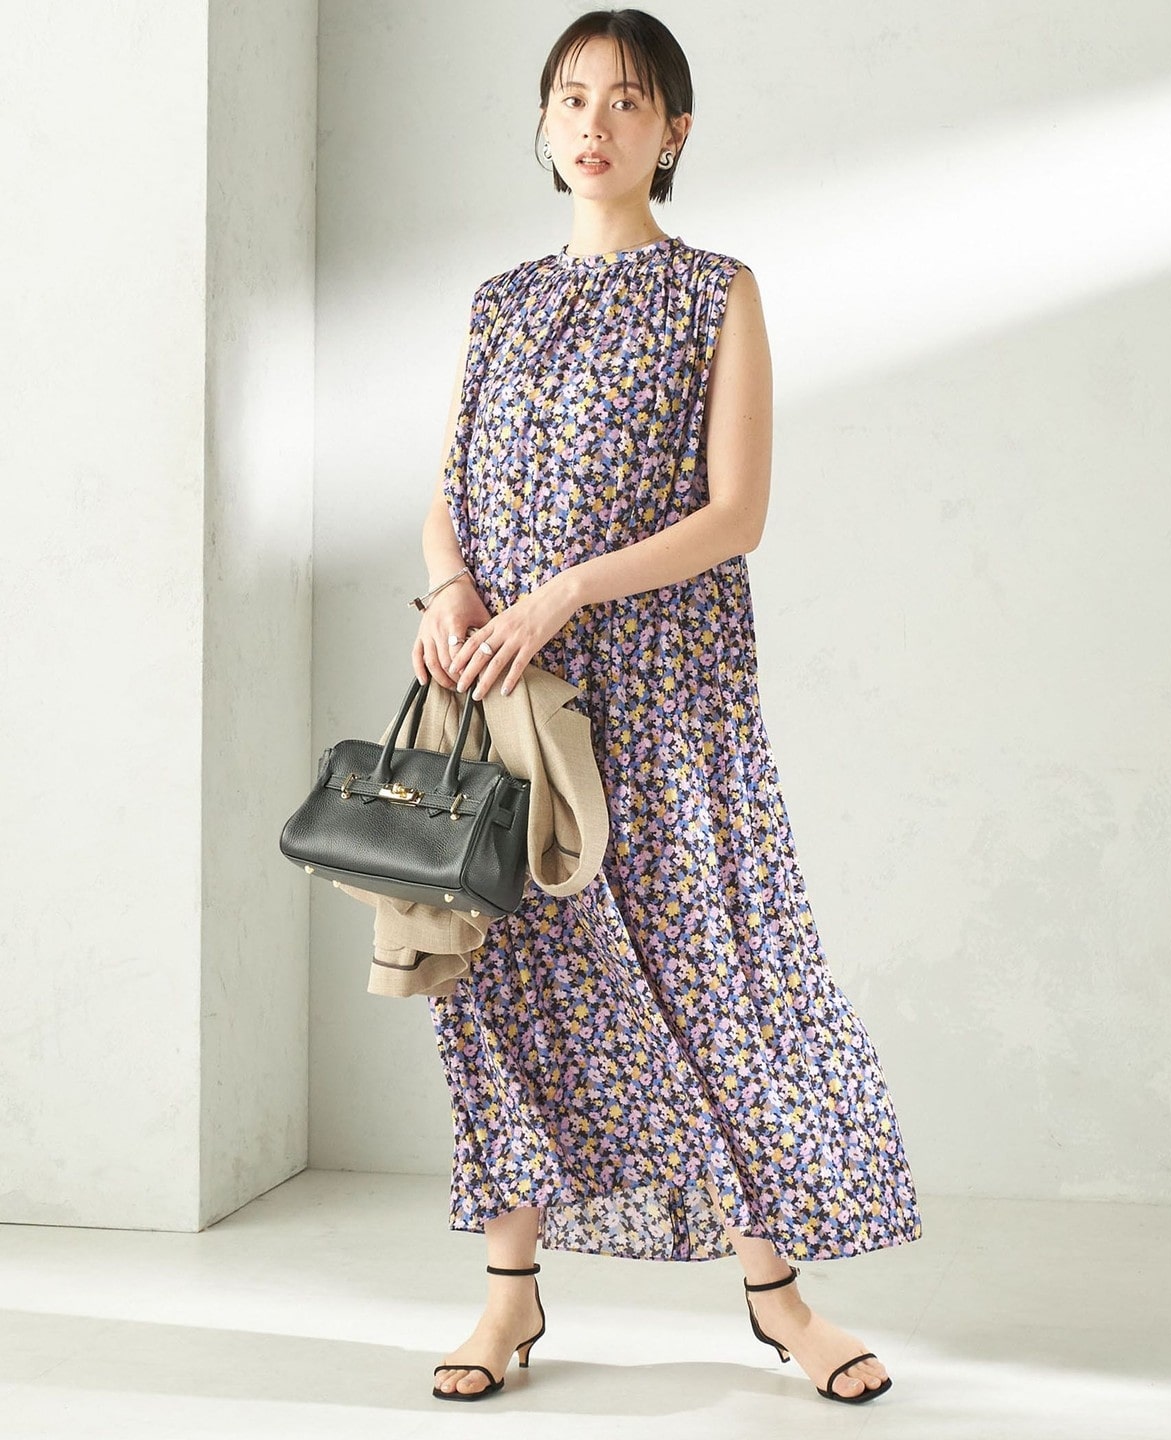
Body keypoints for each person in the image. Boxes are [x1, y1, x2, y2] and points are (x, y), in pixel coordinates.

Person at [409, 6, 922, 1406]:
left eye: (627, 101)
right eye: (571, 97)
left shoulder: (716, 291)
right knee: (510, 986)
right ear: (542, 121)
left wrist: (565, 592)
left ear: (673, 132)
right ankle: (507, 1299)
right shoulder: (499, 303)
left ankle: (779, 1299)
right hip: (508, 699)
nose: (594, 124)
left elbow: (736, 514)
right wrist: (449, 596)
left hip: (667, 697)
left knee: (715, 982)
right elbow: (447, 496)